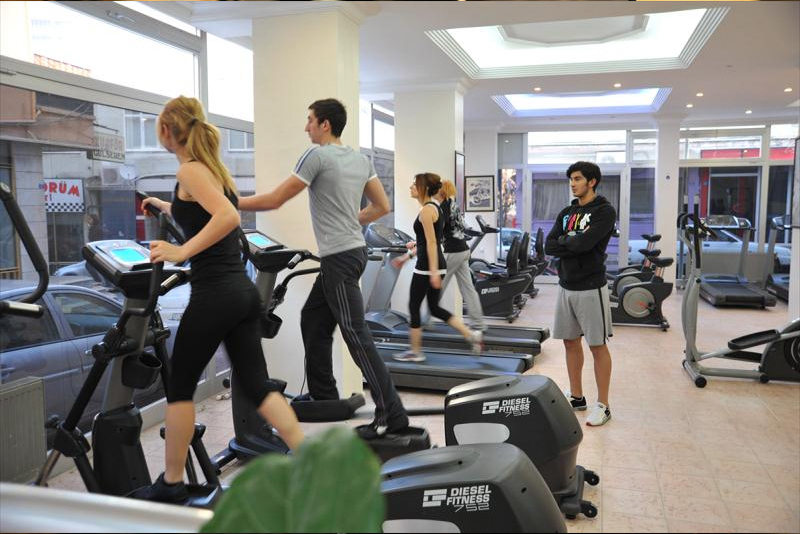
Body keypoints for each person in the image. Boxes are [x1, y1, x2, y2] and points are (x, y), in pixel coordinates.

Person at [138, 96, 304, 502]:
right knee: (258, 386)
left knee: (180, 388)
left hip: (214, 295)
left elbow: (228, 218)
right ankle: (314, 463)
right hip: (242, 294)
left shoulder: (190, 170)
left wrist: (180, 251)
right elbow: (204, 210)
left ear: (166, 131)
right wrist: (166, 206)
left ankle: (171, 484)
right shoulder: (214, 171)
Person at [238, 98, 408, 439]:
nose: (306, 127)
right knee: (313, 319)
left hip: (340, 257)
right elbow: (382, 206)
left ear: (325, 124)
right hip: (352, 253)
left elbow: (276, 199)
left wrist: (229, 202)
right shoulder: (360, 159)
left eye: (310, 120)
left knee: (356, 334)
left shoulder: (316, 156)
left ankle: (392, 414)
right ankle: (323, 395)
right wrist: (351, 220)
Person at [545, 161, 615, 427]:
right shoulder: (567, 212)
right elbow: (549, 245)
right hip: (566, 285)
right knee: (570, 342)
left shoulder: (604, 211)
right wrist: (571, 242)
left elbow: (585, 244)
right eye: (571, 179)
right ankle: (577, 397)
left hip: (591, 286)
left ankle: (603, 405)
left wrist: (570, 241)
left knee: (597, 345)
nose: (572, 184)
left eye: (577, 179)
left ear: (591, 181)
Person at [391, 173, 483, 363]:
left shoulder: (426, 210)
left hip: (426, 267)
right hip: (437, 265)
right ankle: (471, 335)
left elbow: (432, 243)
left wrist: (432, 271)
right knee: (434, 308)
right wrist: (407, 255)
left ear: (423, 188)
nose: (411, 187)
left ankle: (415, 352)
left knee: (414, 307)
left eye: (414, 184)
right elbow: (427, 242)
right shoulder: (435, 208)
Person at [415, 180, 486, 334]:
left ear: (441, 192)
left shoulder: (443, 208)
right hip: (463, 250)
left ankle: (425, 320)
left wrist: (418, 243)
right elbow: (462, 226)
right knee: (468, 288)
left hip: (453, 252)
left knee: (436, 286)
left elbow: (437, 233)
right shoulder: (453, 205)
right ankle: (479, 324)